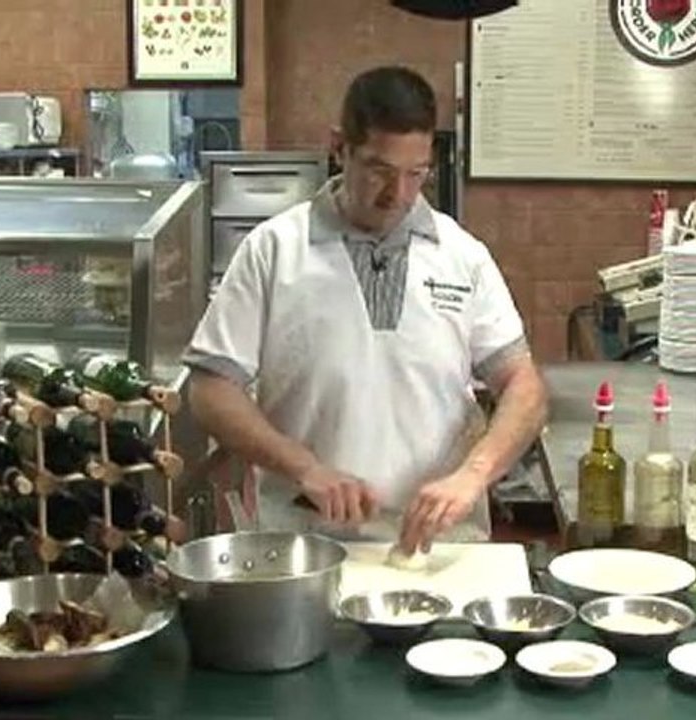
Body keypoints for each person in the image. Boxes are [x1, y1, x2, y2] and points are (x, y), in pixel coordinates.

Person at [184, 65, 547, 555]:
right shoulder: (274, 251)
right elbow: (210, 391)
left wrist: (473, 476)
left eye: (414, 174)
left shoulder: (463, 255)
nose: (396, 194)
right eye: (379, 169)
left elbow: (523, 388)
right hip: (308, 544)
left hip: (440, 545)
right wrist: (305, 467)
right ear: (340, 147)